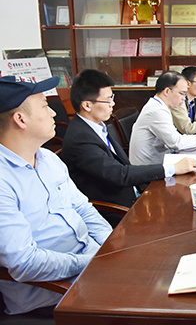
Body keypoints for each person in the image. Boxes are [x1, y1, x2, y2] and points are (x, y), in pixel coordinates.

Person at [0, 75, 112, 316]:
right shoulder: (3, 181)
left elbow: (83, 208)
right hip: (53, 294)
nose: (53, 113)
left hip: (91, 265)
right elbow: (24, 263)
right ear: (20, 119)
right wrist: (91, 262)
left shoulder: (48, 158)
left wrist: (110, 246)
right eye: (45, 106)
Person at [61, 70, 196, 218]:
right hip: (117, 209)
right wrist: (172, 168)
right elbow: (119, 174)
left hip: (133, 192)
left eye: (112, 98)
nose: (113, 104)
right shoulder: (80, 139)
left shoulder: (97, 126)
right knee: (182, 212)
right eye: (107, 100)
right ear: (87, 105)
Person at [129, 71, 196, 166]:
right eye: (182, 93)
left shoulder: (161, 106)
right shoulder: (157, 111)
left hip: (160, 160)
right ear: (167, 91)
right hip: (150, 168)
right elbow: (176, 142)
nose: (184, 98)